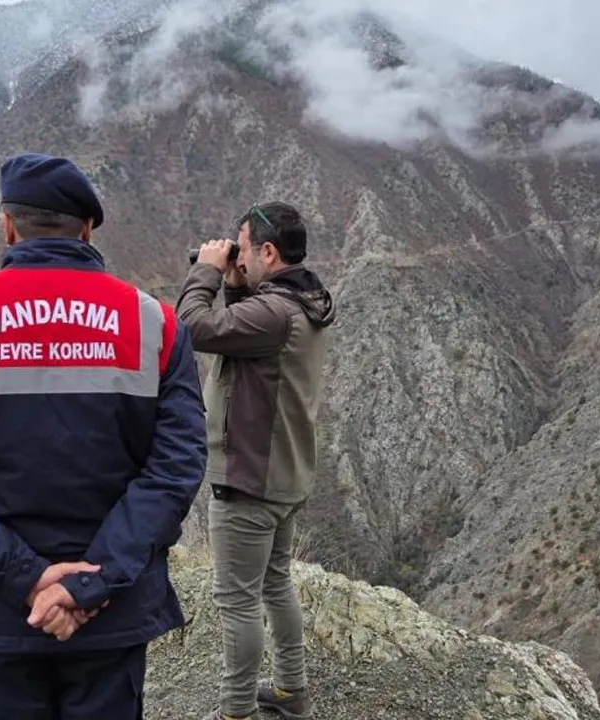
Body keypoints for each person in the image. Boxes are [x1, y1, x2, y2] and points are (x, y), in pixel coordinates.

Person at [0, 152, 208, 720]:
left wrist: (30, 581)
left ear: (7, 226)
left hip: (2, 617)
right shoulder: (156, 326)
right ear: (87, 229)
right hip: (113, 612)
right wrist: (91, 582)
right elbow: (175, 470)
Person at [175, 201, 336, 720]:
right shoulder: (297, 302)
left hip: (250, 479)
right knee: (274, 583)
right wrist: (235, 277)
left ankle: (235, 711)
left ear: (268, 251)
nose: (236, 253)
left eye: (243, 246)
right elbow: (244, 329)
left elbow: (193, 328)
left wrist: (205, 271)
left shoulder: (274, 313)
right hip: (285, 473)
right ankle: (291, 691)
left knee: (238, 603)